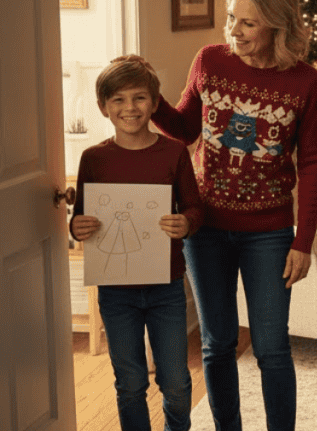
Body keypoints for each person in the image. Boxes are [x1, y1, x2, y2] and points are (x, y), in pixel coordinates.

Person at [150, 0, 317, 431]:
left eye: (248, 23)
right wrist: (152, 99)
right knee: (217, 343)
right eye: (231, 18)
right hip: (204, 227)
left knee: (271, 348)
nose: (234, 31)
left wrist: (303, 241)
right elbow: (185, 128)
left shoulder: (305, 81)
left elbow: (312, 163)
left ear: (276, 25)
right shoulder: (209, 61)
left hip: (268, 233)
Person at [70, 55, 204, 431]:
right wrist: (76, 227)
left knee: (176, 383)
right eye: (118, 99)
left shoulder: (174, 153)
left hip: (166, 287)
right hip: (116, 292)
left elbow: (194, 207)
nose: (130, 108)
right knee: (129, 383)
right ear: (104, 107)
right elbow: (80, 218)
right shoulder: (93, 159)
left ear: (155, 102)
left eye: (139, 97)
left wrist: (186, 222)